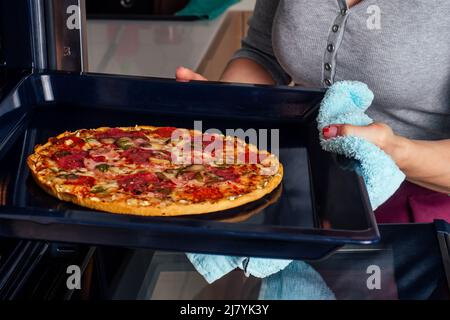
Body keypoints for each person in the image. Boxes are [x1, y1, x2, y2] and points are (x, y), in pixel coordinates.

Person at [175, 0, 450, 222]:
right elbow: (262, 53)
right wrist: (225, 107)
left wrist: (394, 151)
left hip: (416, 212)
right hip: (300, 189)